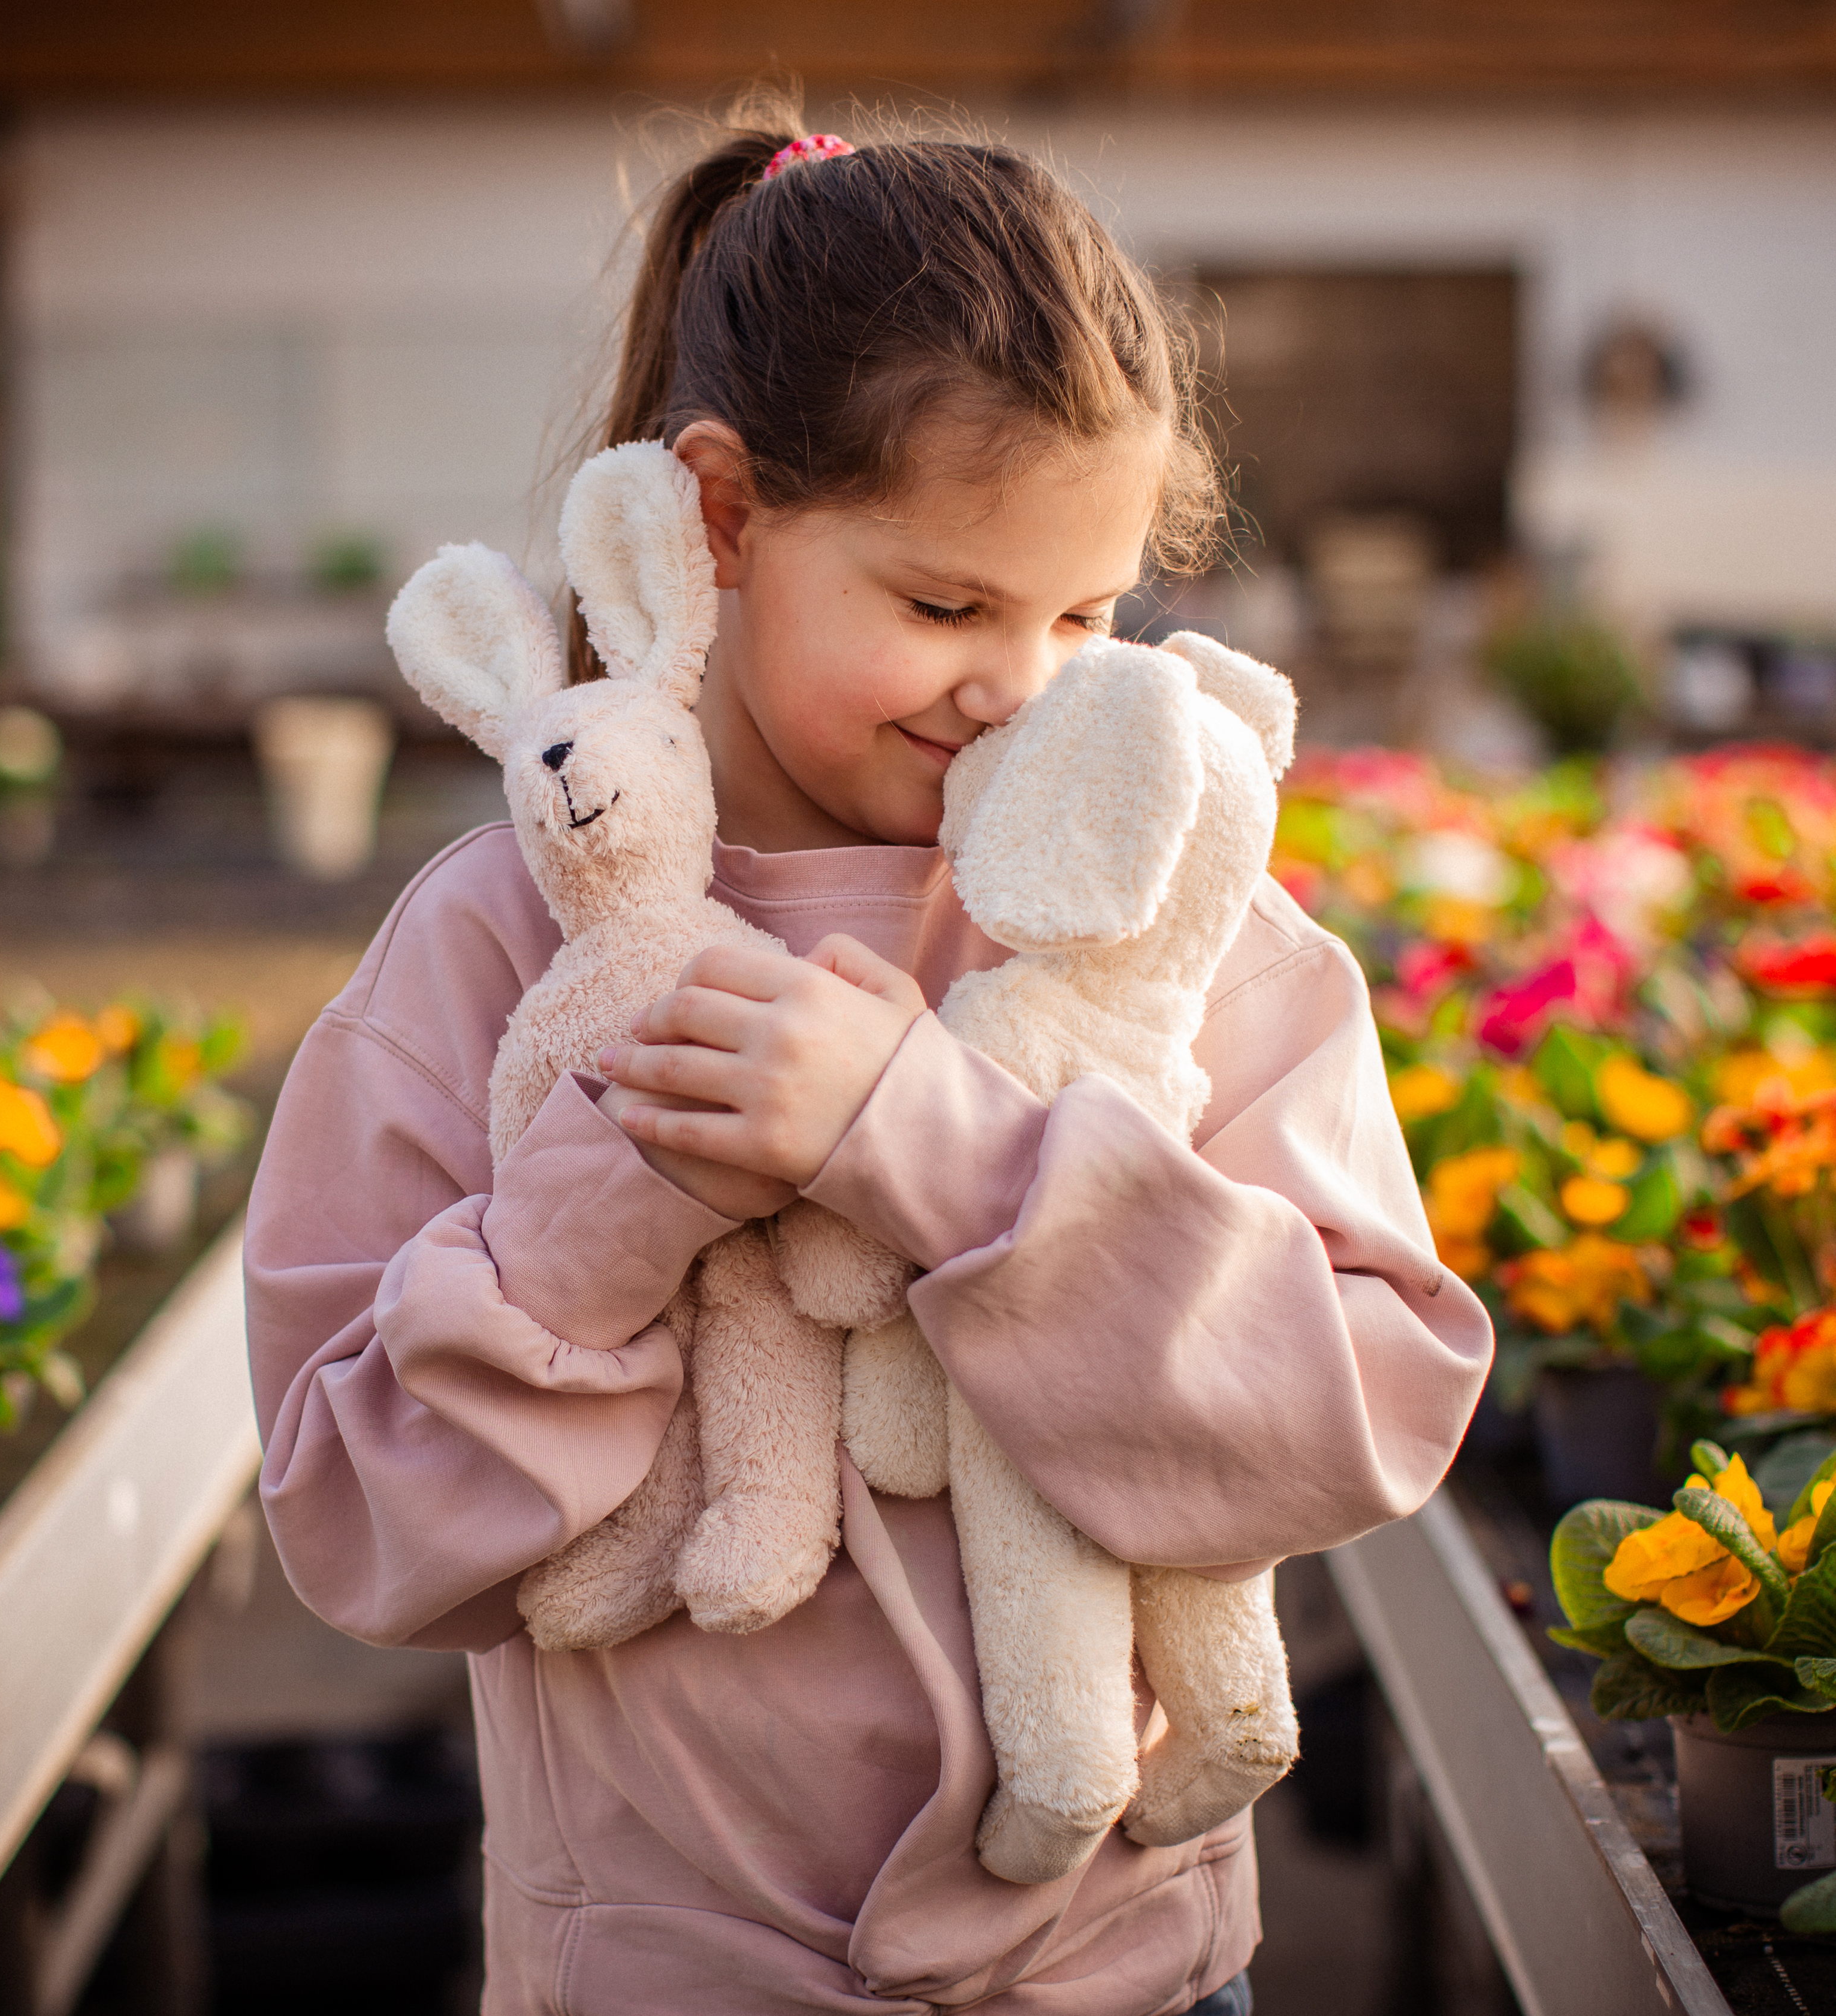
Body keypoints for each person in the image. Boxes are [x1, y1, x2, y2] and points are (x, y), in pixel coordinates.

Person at [245, 102, 1493, 2016]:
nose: (1018, 684)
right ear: (724, 517)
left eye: (1082, 614)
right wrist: (622, 1188)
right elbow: (354, 1519)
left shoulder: (1168, 905)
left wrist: (938, 1149)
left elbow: (1357, 1414)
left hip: (1132, 1974)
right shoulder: (505, 934)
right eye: (941, 604)